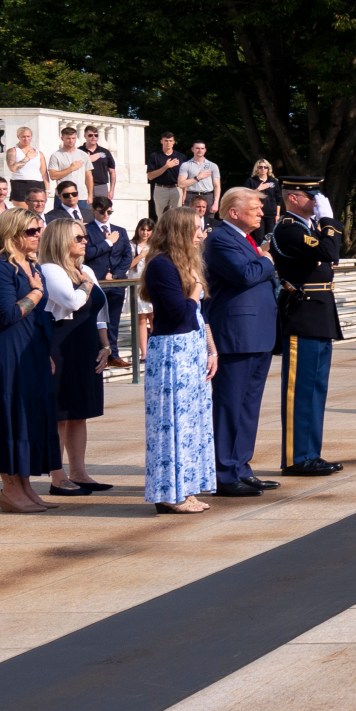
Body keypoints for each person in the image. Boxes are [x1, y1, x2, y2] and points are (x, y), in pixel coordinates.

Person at [0, 208, 58, 514]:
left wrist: (47, 351)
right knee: (8, 415)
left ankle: (25, 486)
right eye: (31, 231)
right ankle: (9, 489)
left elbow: (40, 315)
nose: (38, 236)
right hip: (6, 352)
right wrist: (35, 292)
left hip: (31, 350)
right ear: (13, 233)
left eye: (39, 230)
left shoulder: (30, 264)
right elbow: (7, 314)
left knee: (27, 416)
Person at [204, 186, 280, 496]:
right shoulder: (221, 238)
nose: (261, 212)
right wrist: (266, 260)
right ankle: (224, 472)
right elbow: (245, 274)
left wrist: (261, 260)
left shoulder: (244, 239)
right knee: (230, 405)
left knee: (248, 406)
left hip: (257, 333)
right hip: (236, 335)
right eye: (255, 207)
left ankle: (241, 466)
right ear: (234, 212)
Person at [142, 204, 217, 515]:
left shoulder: (184, 264)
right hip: (173, 352)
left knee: (190, 424)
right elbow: (178, 313)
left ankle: (184, 488)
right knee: (172, 422)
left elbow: (200, 316)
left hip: (190, 349)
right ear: (181, 232)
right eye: (196, 228)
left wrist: (212, 350)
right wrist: (196, 290)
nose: (201, 234)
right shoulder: (162, 265)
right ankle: (169, 492)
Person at [271, 174, 345, 477]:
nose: (316, 202)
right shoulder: (289, 229)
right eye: (310, 196)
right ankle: (295, 457)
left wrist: (323, 225)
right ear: (293, 198)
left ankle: (310, 453)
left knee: (316, 389)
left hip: (319, 313)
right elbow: (330, 253)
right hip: (302, 314)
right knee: (299, 390)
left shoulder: (307, 228)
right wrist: (328, 220)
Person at [37, 216, 110, 498]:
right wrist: (86, 285)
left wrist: (106, 346)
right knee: (60, 415)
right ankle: (57, 475)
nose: (85, 241)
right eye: (78, 238)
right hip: (61, 344)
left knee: (80, 412)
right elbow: (72, 301)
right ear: (61, 240)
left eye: (84, 237)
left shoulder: (85, 269)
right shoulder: (51, 270)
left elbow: (99, 310)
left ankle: (79, 471)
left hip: (86, 342)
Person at [86, 196, 134, 367]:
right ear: (94, 211)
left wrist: (115, 275)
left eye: (109, 211)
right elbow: (87, 253)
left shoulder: (119, 230)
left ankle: (113, 354)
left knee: (113, 320)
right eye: (102, 211)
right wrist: (108, 242)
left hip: (116, 283)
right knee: (97, 320)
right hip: (97, 283)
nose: (106, 214)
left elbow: (128, 255)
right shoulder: (87, 230)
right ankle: (98, 354)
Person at [44, 129, 88, 212]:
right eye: (68, 138)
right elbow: (53, 176)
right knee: (61, 222)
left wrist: (90, 195)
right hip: (63, 195)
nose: (71, 141)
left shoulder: (83, 155)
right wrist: (71, 168)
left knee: (83, 222)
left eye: (73, 138)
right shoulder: (56, 155)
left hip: (81, 195)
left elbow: (89, 176)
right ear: (62, 138)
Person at [130, 216, 154, 364]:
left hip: (151, 283)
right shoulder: (131, 245)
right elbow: (128, 265)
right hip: (136, 283)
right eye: (143, 229)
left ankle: (155, 348)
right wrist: (140, 256)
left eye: (148, 230)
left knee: (153, 317)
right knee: (141, 318)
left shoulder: (155, 245)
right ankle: (144, 353)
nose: (145, 233)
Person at [179, 140, 222, 217]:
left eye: (202, 148)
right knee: (189, 222)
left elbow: (217, 186)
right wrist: (197, 178)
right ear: (192, 149)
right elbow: (181, 183)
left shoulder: (213, 166)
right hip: (191, 196)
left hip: (208, 196)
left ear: (205, 150)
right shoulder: (186, 165)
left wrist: (216, 203)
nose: (200, 150)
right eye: (197, 148)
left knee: (208, 224)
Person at [147, 132, 183, 221]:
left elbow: (184, 176)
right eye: (166, 140)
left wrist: (184, 192)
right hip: (160, 189)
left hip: (176, 188)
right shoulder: (154, 156)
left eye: (170, 141)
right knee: (161, 217)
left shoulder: (181, 156)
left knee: (177, 216)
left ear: (174, 142)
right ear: (161, 141)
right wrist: (166, 166)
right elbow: (150, 176)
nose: (168, 143)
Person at [3, 125, 45, 202]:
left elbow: (44, 173)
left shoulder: (39, 153)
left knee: (36, 211)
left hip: (38, 183)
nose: (26, 139)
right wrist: (27, 158)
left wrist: (47, 190)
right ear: (18, 137)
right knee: (22, 212)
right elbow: (12, 168)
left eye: (28, 136)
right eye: (23, 137)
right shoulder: (13, 151)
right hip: (20, 183)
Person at [82, 126, 116, 203]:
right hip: (84, 187)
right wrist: (88, 159)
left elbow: (112, 172)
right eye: (90, 135)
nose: (93, 137)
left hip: (101, 187)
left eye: (96, 135)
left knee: (102, 212)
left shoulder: (105, 152)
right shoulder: (79, 151)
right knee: (85, 212)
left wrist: (111, 190)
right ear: (85, 136)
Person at [244, 158, 279, 224]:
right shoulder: (250, 181)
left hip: (271, 215)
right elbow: (246, 196)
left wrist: (277, 215)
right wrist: (258, 189)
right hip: (257, 213)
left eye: (265, 167)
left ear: (268, 169)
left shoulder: (274, 181)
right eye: (260, 167)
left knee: (270, 234)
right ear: (257, 169)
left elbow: (278, 200)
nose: (263, 169)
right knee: (259, 234)